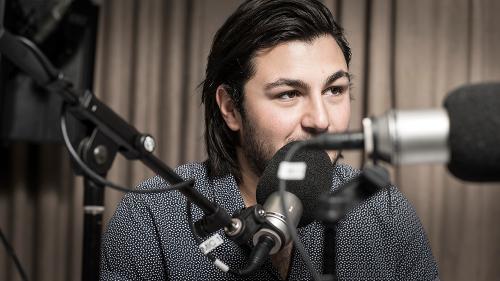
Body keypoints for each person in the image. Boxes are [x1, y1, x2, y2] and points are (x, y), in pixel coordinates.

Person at [100, 0, 439, 280]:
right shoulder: (150, 217)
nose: (321, 121)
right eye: (289, 94)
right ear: (231, 108)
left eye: (335, 90)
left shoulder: (384, 209)